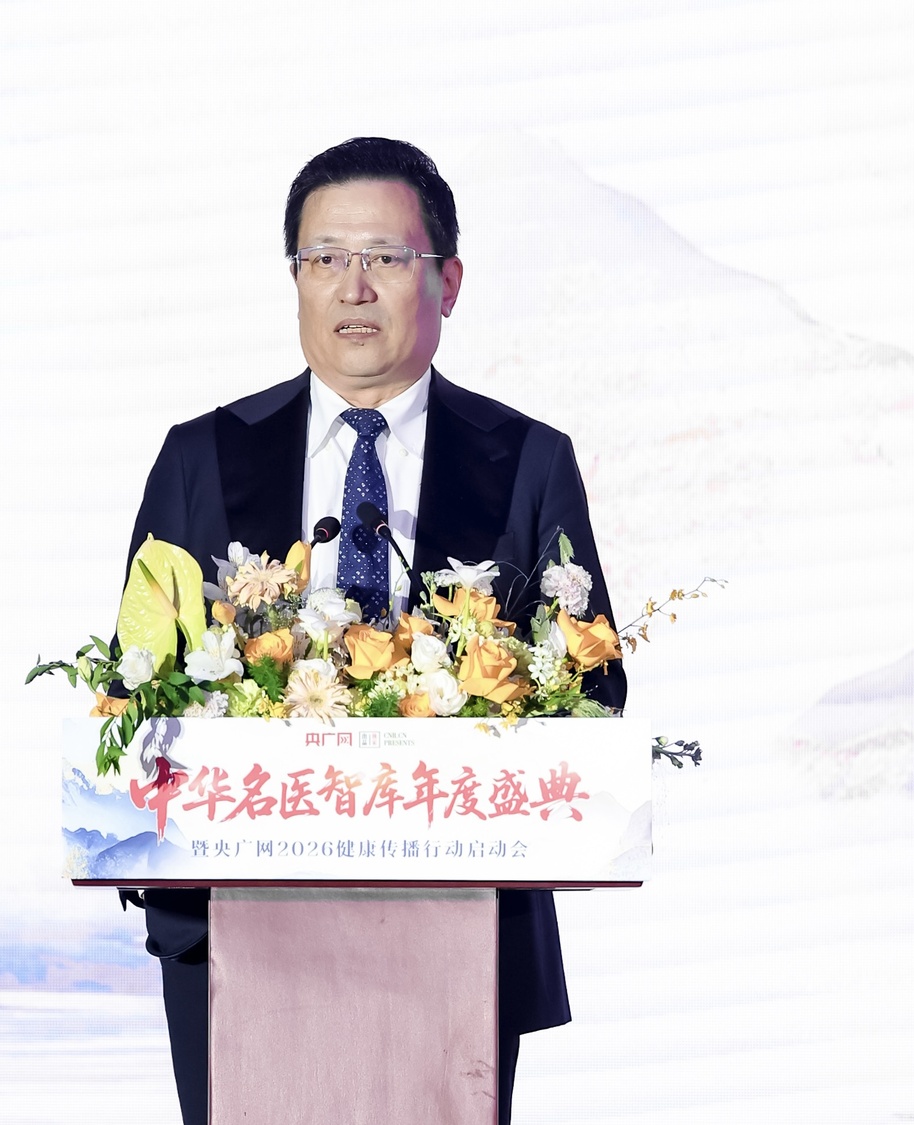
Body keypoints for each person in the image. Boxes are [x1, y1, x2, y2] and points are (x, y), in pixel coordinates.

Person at [119, 136, 626, 1125]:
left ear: (447, 280)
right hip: (239, 936)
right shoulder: (201, 457)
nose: (353, 287)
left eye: (385, 258)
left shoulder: (526, 460)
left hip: (456, 934)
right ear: (295, 280)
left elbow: (592, 685)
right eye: (324, 258)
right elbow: (138, 688)